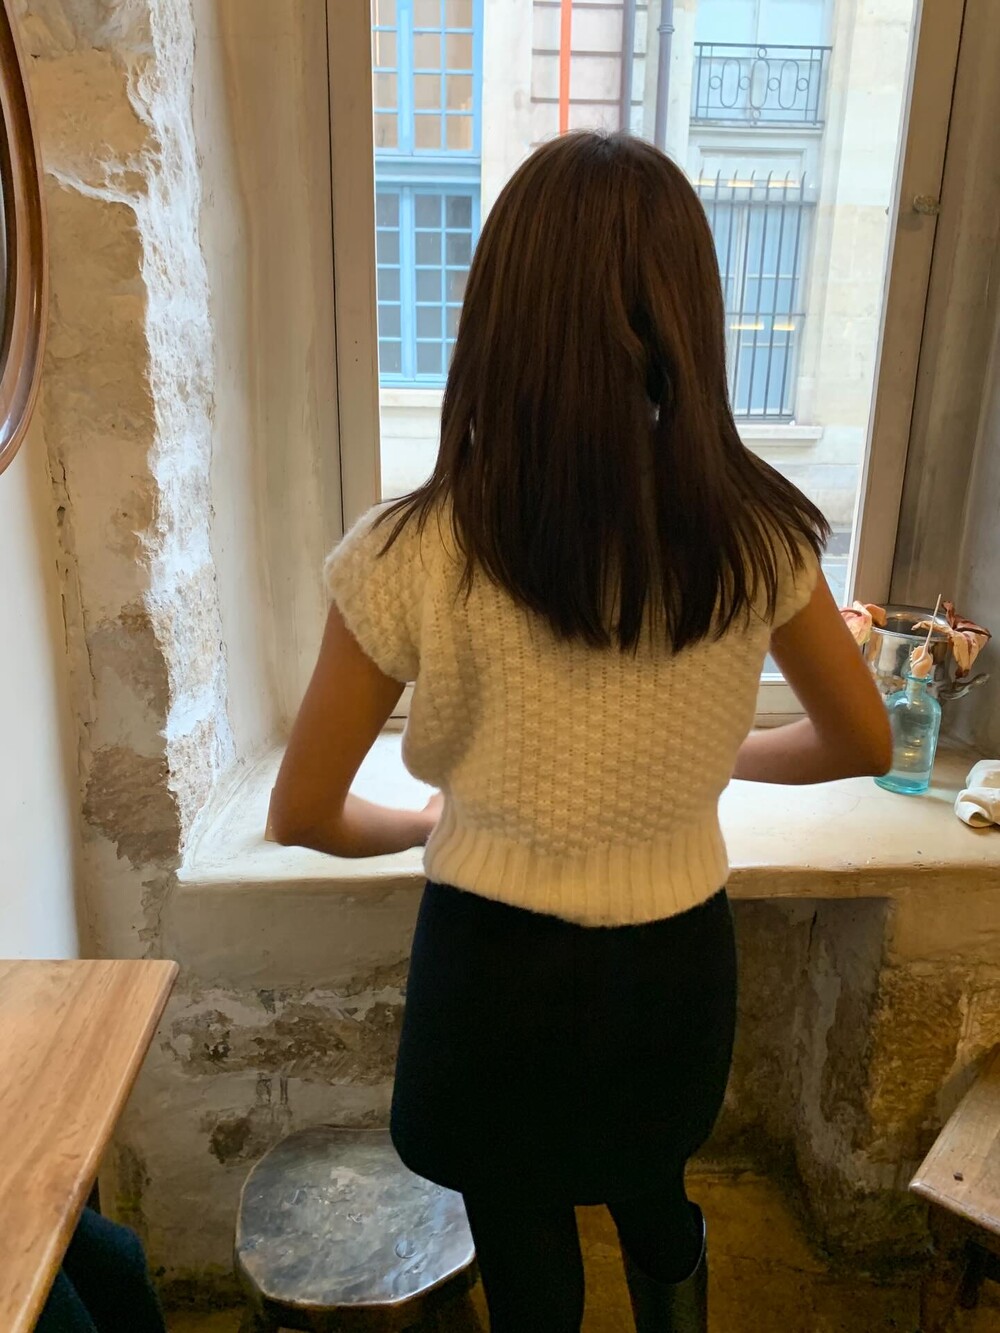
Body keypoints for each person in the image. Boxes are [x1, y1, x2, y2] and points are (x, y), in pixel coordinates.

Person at [269, 132, 891, 1333]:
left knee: (520, 1230)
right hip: (672, 964)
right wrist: (708, 761)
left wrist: (424, 823)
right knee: (654, 1186)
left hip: (488, 967)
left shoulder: (405, 553)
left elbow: (302, 812)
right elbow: (861, 743)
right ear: (685, 315)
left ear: (499, 314)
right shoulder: (760, 537)